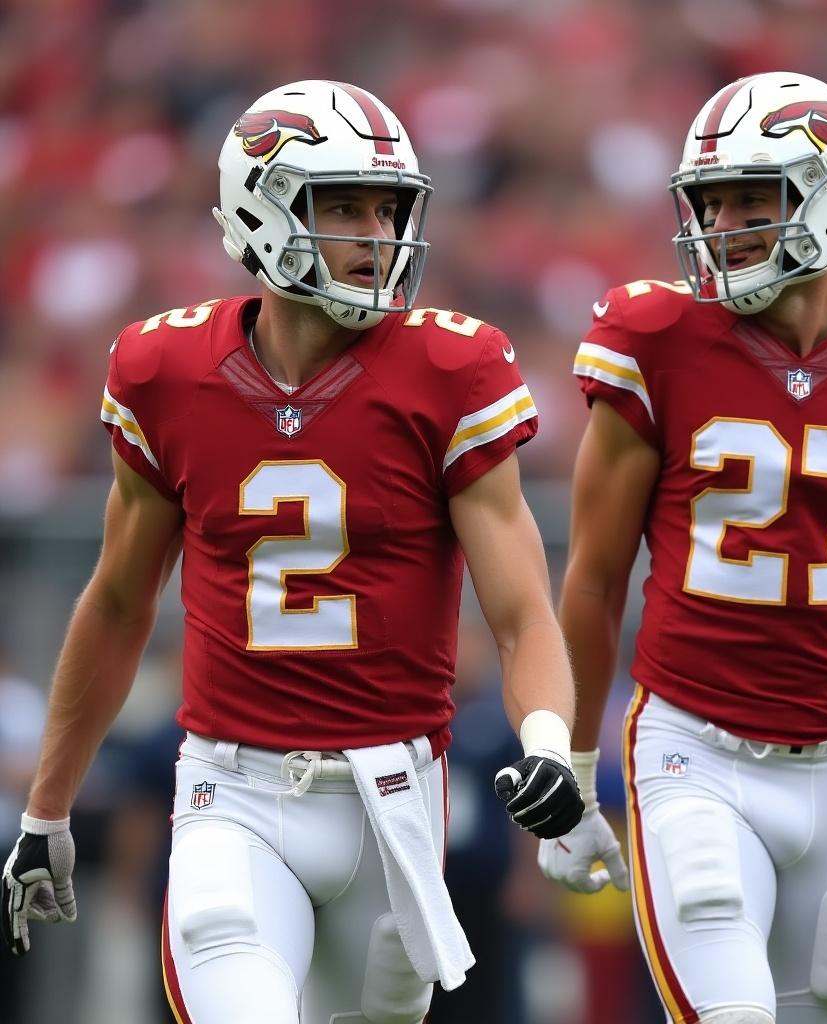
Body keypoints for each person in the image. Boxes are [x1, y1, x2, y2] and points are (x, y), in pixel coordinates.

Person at [1, 79, 583, 1024]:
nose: (375, 232)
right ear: (261, 207)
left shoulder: (450, 370)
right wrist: (47, 807)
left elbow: (520, 611)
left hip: (394, 799)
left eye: (386, 208)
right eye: (343, 205)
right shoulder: (166, 369)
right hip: (229, 789)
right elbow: (116, 603)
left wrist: (550, 741)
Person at [540, 71, 827, 1024]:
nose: (726, 224)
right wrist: (576, 771)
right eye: (713, 201)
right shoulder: (655, 338)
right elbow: (592, 582)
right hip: (692, 752)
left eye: (756, 196)